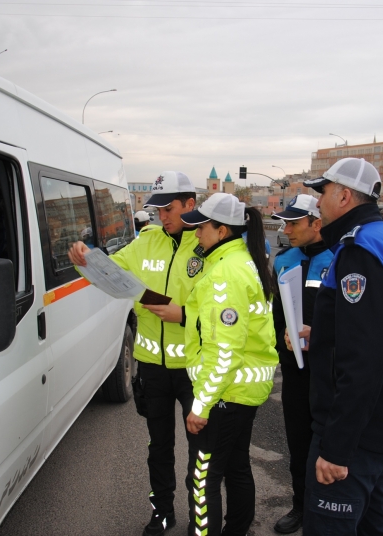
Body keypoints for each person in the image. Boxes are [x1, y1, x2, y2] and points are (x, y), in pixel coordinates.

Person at [68, 171, 205, 536]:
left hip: (195, 369)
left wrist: (184, 313)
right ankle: (162, 513)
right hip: (153, 369)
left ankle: (199, 519)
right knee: (158, 445)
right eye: (157, 209)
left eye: (169, 208)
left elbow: (223, 308)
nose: (162, 215)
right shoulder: (147, 242)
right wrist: (85, 258)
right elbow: (111, 270)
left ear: (190, 205)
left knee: (200, 452)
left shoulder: (208, 244)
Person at [294, 158, 383, 535]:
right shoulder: (381, 240)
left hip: (355, 438)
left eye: (323, 192)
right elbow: (380, 334)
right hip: (377, 428)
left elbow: (365, 360)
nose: (317, 203)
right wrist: (325, 334)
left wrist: (336, 448)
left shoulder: (360, 250)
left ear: (344, 196)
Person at [180, 193, 279, 536]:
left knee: (204, 475)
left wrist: (202, 405)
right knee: (236, 466)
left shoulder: (226, 274)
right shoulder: (243, 262)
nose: (195, 234)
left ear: (222, 231)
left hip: (226, 393)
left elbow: (225, 350)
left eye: (201, 227)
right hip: (241, 392)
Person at [268, 194, 332, 534]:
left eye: (293, 223)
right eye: (284, 222)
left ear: (316, 223)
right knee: (297, 441)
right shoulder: (283, 259)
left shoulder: (338, 259)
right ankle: (301, 506)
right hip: (294, 372)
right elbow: (276, 315)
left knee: (329, 446)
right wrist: (282, 339)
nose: (286, 229)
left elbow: (348, 321)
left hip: (329, 374)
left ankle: (327, 508)